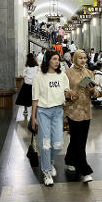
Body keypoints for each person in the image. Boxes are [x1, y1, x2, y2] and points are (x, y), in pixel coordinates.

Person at [31, 51, 75, 186]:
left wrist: (71, 94)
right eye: (54, 59)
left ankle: (49, 161)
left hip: (57, 111)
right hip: (43, 112)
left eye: (58, 59)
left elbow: (66, 91)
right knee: (45, 144)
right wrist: (33, 117)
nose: (57, 62)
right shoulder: (39, 76)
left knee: (58, 144)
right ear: (47, 60)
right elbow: (35, 98)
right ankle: (46, 172)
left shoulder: (62, 75)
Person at [64, 50, 100, 182]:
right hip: (73, 111)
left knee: (79, 139)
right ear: (74, 59)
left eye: (85, 58)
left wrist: (93, 91)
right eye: (80, 58)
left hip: (86, 111)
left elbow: (96, 93)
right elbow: (64, 91)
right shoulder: (67, 73)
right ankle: (85, 170)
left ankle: (69, 159)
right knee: (79, 140)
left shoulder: (89, 73)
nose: (83, 60)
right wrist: (70, 94)